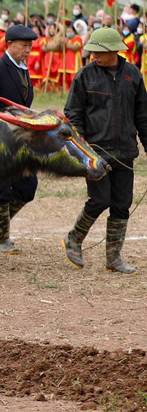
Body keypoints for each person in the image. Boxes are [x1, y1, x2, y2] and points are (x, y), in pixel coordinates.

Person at [63, 27, 147, 274]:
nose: (93, 55)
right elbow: (73, 114)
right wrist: (81, 146)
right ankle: (74, 239)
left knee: (122, 204)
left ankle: (113, 258)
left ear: (114, 51)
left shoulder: (133, 75)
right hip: (95, 152)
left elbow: (143, 116)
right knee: (100, 199)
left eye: (98, 52)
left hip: (125, 152)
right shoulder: (85, 76)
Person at [0, 24, 39, 254]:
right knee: (1, 188)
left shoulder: (23, 69)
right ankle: (2, 239)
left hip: (21, 139)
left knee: (28, 187)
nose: (28, 50)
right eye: (24, 46)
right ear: (9, 44)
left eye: (30, 46)